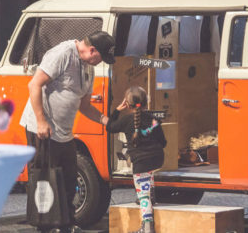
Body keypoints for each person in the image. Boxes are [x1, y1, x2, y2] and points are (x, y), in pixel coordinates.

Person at [20, 31, 115, 233]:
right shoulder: (62, 54)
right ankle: (44, 228)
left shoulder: (89, 68)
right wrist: (41, 121)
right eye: (101, 57)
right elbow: (34, 84)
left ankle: (66, 226)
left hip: (64, 132)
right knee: (46, 182)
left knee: (69, 180)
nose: (101, 62)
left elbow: (85, 105)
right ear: (92, 50)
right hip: (42, 129)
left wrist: (106, 120)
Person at [106, 86, 166, 233]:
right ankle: (151, 195)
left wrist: (117, 110)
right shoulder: (155, 120)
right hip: (158, 158)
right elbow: (163, 142)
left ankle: (147, 227)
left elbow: (109, 127)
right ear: (148, 101)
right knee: (148, 172)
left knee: (142, 193)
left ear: (127, 103)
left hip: (141, 162)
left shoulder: (126, 121)